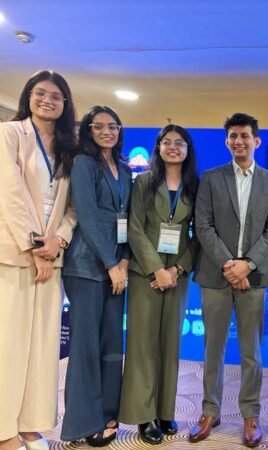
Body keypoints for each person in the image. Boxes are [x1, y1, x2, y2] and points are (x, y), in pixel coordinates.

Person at [191, 112, 268, 448]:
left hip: (253, 277)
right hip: (216, 274)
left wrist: (247, 265)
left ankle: (250, 414)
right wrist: (230, 265)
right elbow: (203, 226)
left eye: (245, 135)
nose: (239, 141)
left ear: (256, 141)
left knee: (251, 352)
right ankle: (209, 411)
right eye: (233, 136)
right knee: (212, 348)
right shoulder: (211, 178)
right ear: (227, 141)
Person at [0, 70, 77, 450]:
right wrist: (35, 247)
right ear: (28, 96)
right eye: (40, 93)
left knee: (42, 348)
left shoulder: (69, 148)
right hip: (15, 255)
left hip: (52, 257)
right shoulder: (9, 133)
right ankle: (4, 431)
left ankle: (30, 424)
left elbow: (73, 207)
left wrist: (57, 240)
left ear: (65, 104)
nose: (48, 100)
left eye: (56, 96)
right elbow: (10, 194)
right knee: (9, 345)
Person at [119, 125, 199, 444]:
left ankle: (165, 410)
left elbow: (200, 234)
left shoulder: (196, 185)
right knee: (142, 345)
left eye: (180, 143)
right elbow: (135, 229)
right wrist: (156, 269)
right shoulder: (143, 182)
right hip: (145, 274)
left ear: (188, 149)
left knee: (170, 344)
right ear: (159, 147)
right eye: (167, 142)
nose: (173, 147)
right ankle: (144, 415)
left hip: (178, 274)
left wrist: (177, 269)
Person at [60, 105, 132, 446]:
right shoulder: (83, 164)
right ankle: (82, 424)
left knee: (111, 346)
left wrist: (125, 261)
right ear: (88, 129)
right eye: (98, 125)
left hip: (117, 268)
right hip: (87, 267)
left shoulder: (125, 169)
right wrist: (110, 263)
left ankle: (107, 413)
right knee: (86, 347)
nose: (106, 131)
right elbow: (87, 216)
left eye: (112, 126)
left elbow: (128, 219)